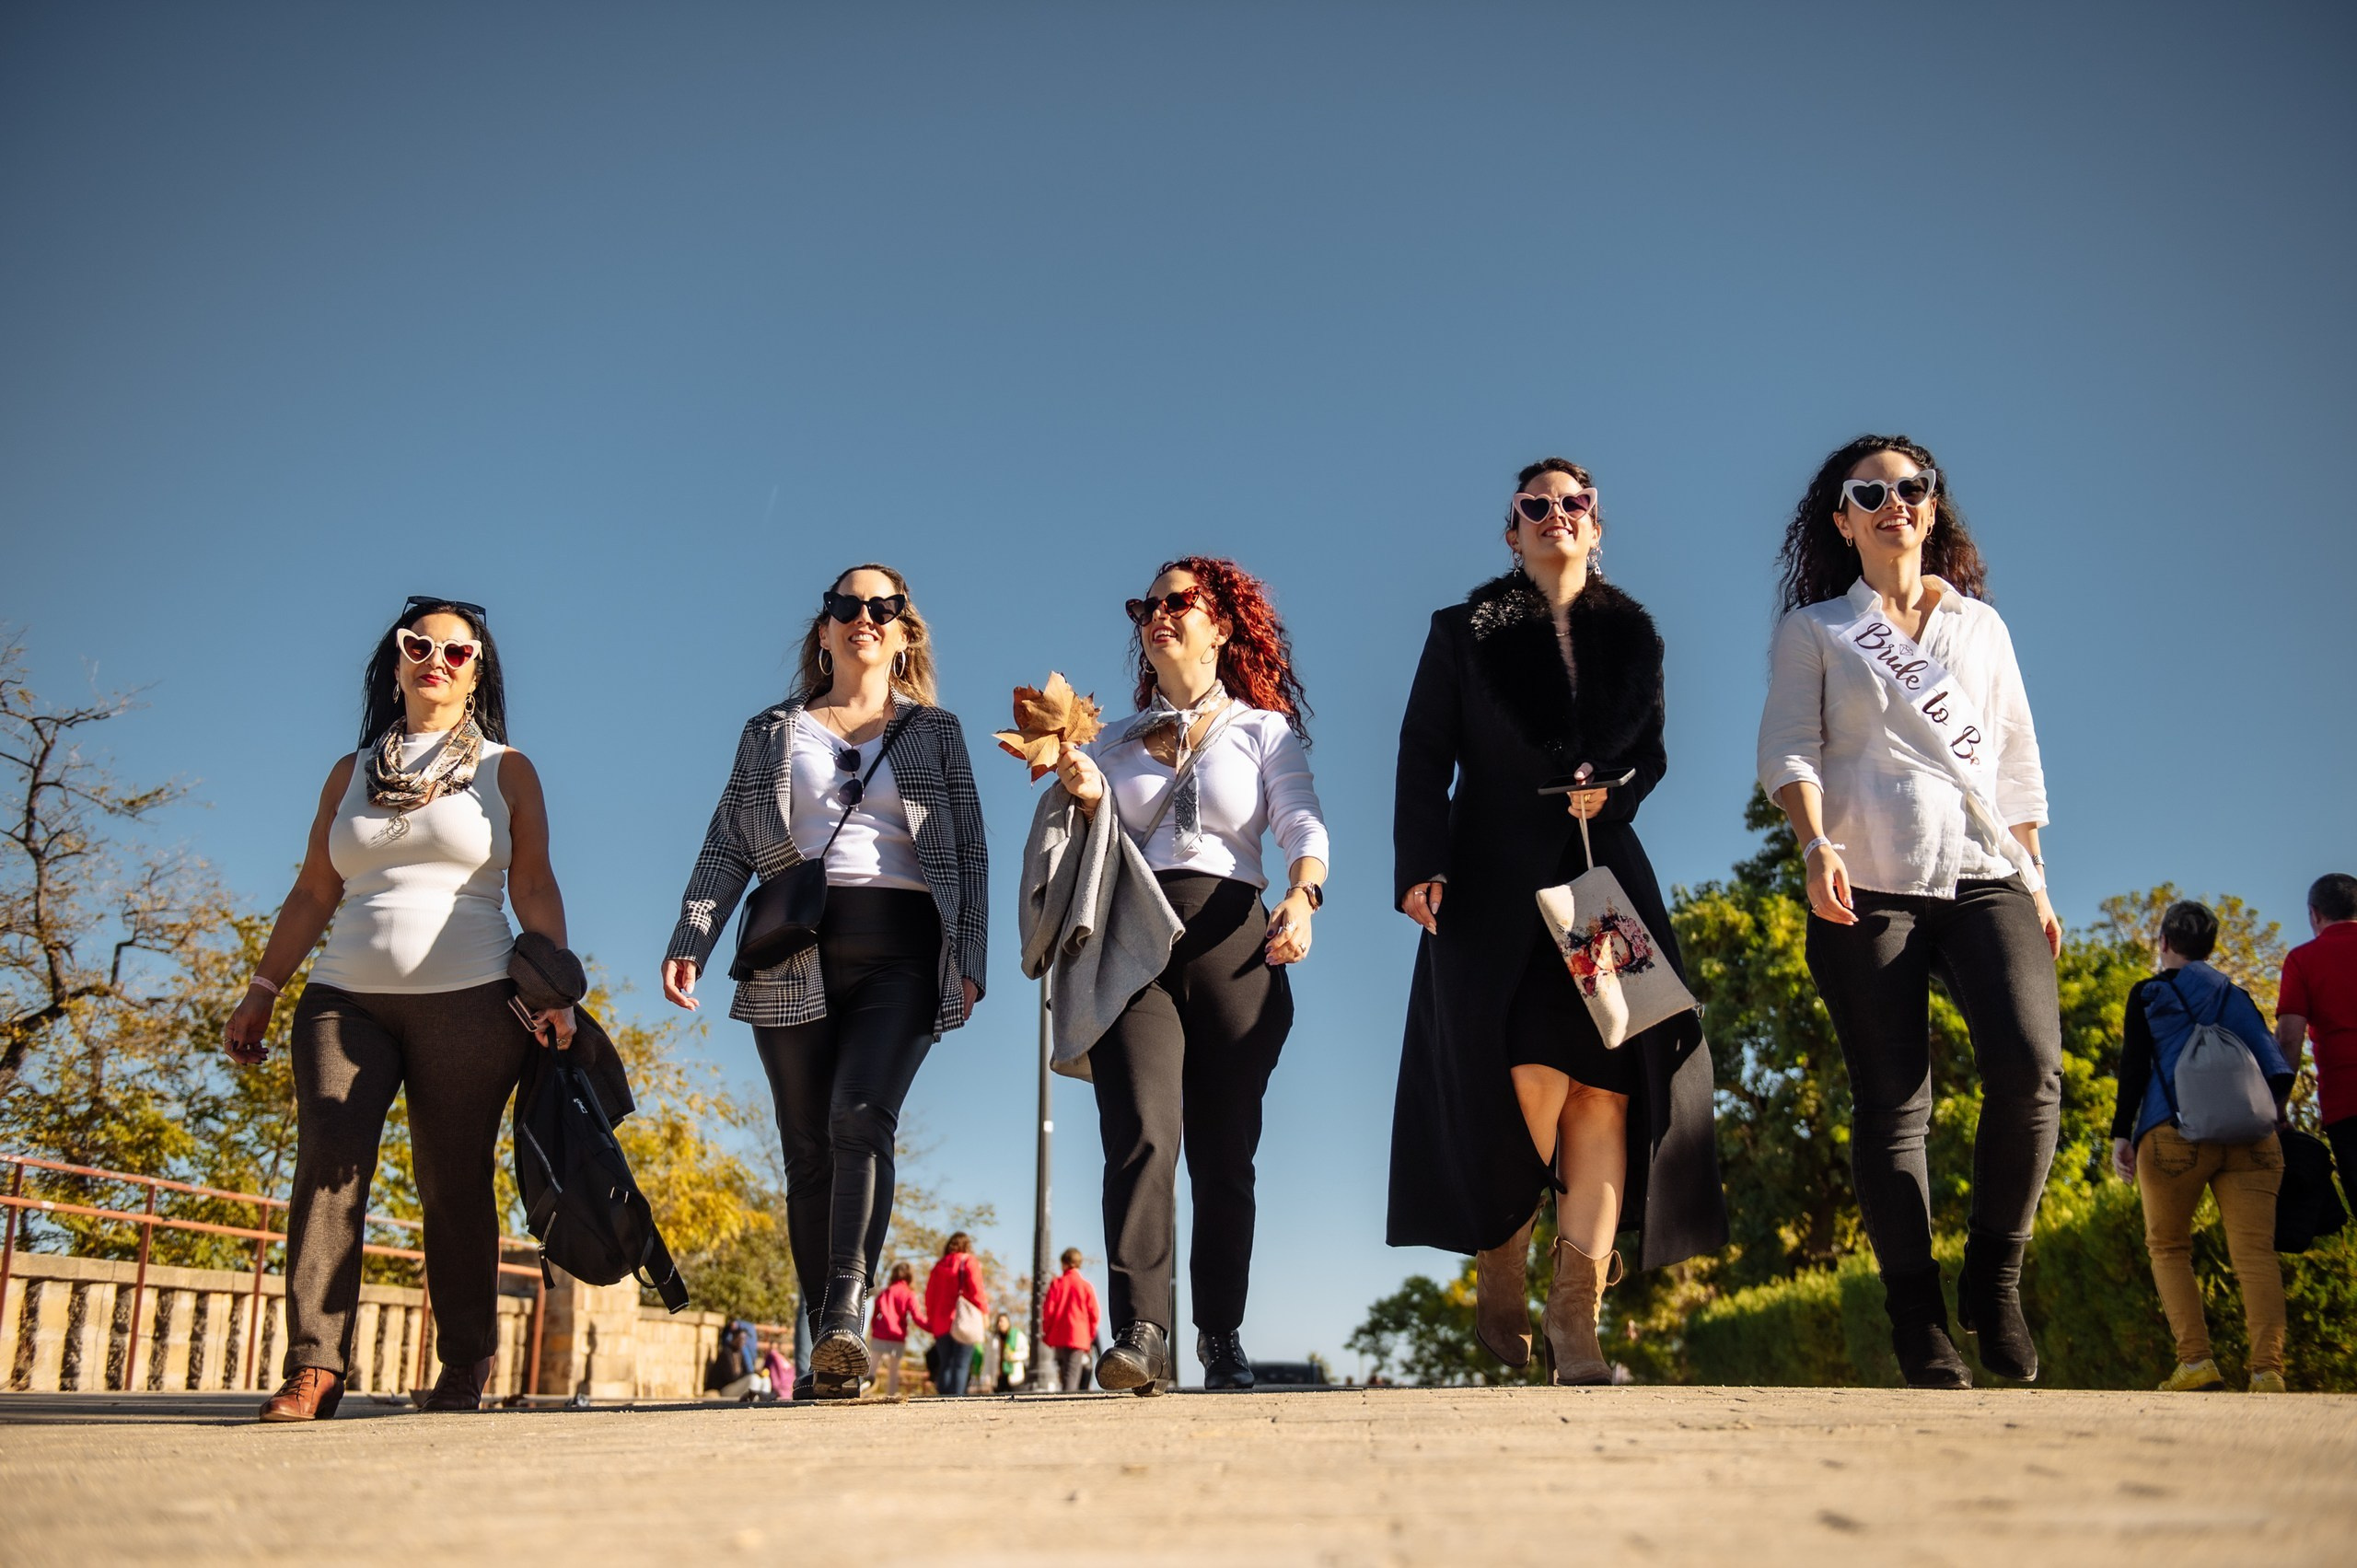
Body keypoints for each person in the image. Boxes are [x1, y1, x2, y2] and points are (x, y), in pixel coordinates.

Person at [1389, 459, 1727, 1386]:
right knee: (1529, 1075)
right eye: (1533, 507)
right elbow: (1424, 750)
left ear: (1596, 522)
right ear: (1511, 532)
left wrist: (1613, 791)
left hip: (1598, 882)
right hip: (1492, 882)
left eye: (1571, 504)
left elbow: (1649, 755)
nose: (1553, 516)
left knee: (1607, 1087)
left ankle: (1575, 1325)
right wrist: (1419, 862)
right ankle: (1502, 1250)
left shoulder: (1633, 637)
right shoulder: (1463, 630)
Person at [1758, 435, 2061, 1389]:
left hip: (1984, 868)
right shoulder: (1816, 628)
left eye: (1912, 488)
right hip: (1868, 869)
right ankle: (1918, 1321)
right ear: (1842, 517)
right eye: (1871, 491)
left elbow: (2014, 761)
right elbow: (1789, 748)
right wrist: (1814, 845)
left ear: (1933, 508)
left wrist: (2039, 878)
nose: (1896, 502)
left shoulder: (1982, 628)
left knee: (2030, 1066)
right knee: (1894, 1104)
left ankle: (1994, 1276)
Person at [224, 596, 575, 1423]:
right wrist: (263, 988)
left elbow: (533, 883)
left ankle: (462, 1365)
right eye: (421, 645)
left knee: (451, 1181)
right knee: (328, 1168)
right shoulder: (349, 774)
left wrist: (555, 989)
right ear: (395, 660)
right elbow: (316, 889)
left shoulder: (506, 768)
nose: (437, 661)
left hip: (474, 1002)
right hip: (344, 999)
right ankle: (314, 1363)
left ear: (477, 671)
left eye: (459, 652)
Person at [662, 565, 989, 1400]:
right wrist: (692, 932)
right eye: (847, 605)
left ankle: (845, 1311)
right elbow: (727, 839)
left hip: (905, 946)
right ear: (824, 630)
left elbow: (971, 847)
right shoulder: (770, 731)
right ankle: (827, 1352)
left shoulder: (935, 732)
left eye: (884, 608)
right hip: (792, 942)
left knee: (859, 1115)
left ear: (905, 633)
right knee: (807, 1150)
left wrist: (971, 955)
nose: (864, 617)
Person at [1052, 556, 1329, 1394]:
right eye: (1147, 605)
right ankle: (1140, 1329)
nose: (1158, 614)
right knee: (1140, 1131)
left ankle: (1220, 1333)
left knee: (1223, 1152)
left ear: (1221, 624)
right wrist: (1082, 789)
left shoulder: (1261, 729)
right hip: (1135, 938)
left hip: (1235, 938)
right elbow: (1093, 837)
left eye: (1179, 601)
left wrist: (1305, 893)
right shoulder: (1113, 738)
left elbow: (1298, 814)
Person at [2110, 901, 2295, 1393]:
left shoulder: (2149, 994)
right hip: (2253, 1139)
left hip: (2173, 1134)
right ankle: (2268, 1371)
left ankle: (2196, 1362)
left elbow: (2133, 1070)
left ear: (2164, 943)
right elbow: (2277, 1067)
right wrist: (2273, 1116)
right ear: (2210, 948)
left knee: (2169, 1248)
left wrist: (2121, 1135)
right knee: (2256, 1254)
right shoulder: (2236, 995)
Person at [2277, 873, 2357, 1194]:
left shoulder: (2303, 960)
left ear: (2315, 913)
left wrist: (2277, 1106)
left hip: (2347, 1104)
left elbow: (2289, 1040)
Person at [924, 1232, 987, 1397]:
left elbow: (929, 1296)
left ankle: (942, 1399)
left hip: (940, 1323)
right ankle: (956, 1401)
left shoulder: (938, 1266)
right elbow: (977, 1291)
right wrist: (984, 1313)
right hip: (963, 1320)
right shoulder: (969, 1262)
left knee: (945, 1364)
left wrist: (932, 1319)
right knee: (961, 1364)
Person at [1040, 1248, 1101, 1392]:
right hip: (1079, 1336)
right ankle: (1068, 1400)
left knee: (1064, 1371)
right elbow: (1094, 1314)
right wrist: (1090, 1334)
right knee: (1072, 1373)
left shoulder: (1057, 1284)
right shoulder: (1086, 1286)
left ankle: (1066, 1397)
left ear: (1065, 1263)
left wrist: (1047, 1332)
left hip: (1059, 1334)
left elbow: (1048, 1311)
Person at [867, 1260, 921, 1397]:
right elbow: (917, 1316)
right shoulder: (909, 1294)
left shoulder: (885, 1292)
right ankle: (891, 1396)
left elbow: (875, 1315)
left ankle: (862, 1392)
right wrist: (932, 1328)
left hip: (880, 1334)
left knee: (871, 1369)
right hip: (897, 1336)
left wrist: (874, 1330)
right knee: (893, 1371)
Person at [992, 1310, 1029, 1391]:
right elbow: (989, 1358)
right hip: (999, 1377)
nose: (1000, 1324)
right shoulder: (995, 1339)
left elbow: (1026, 1352)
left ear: (1008, 1322)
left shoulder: (1017, 1335)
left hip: (1014, 1377)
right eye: (998, 1322)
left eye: (1002, 1321)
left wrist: (1014, 1356)